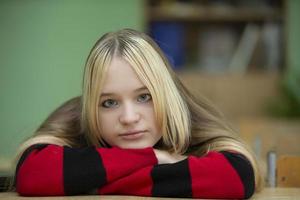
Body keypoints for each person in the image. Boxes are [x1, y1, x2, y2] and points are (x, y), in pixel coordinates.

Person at [14, 29, 263, 198]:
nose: (129, 117)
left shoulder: (190, 120)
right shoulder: (75, 119)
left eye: (144, 97)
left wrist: (90, 181)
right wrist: (157, 157)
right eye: (109, 103)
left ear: (165, 94)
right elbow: (30, 174)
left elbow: (237, 176)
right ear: (91, 108)